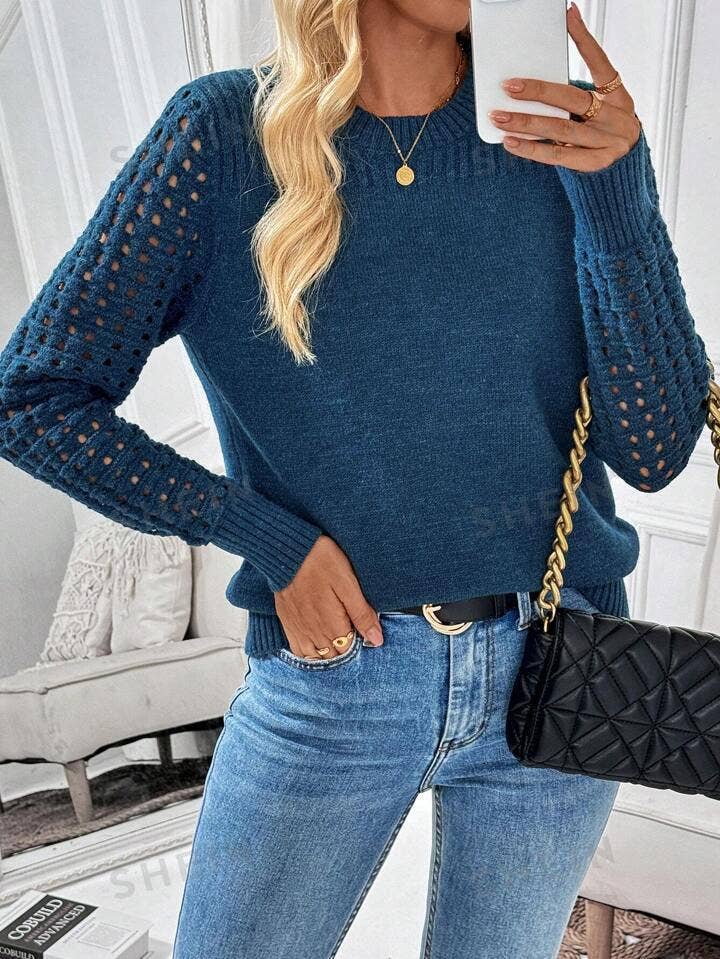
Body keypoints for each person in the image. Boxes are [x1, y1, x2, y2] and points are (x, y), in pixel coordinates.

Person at [0, 1, 710, 956]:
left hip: (564, 673)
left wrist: (617, 197)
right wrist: (268, 540)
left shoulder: (565, 136)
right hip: (337, 677)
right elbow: (32, 398)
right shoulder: (220, 138)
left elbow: (656, 450)